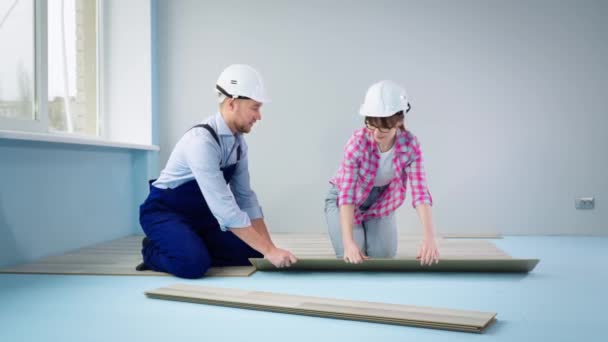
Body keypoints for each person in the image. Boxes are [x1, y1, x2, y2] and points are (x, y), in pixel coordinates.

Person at [137, 64, 297, 278]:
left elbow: (245, 198)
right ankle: (152, 250)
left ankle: (189, 243)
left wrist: (269, 248)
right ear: (232, 103)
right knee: (193, 265)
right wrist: (270, 251)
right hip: (165, 213)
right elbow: (224, 209)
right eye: (255, 108)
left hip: (201, 217)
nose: (259, 116)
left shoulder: (239, 145)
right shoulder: (201, 142)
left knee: (252, 253)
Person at [324, 80, 440, 265]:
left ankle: (372, 229)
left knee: (382, 258)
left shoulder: (410, 145)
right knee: (355, 256)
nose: (377, 133)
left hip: (381, 204)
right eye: (372, 124)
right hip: (344, 202)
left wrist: (429, 238)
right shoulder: (357, 144)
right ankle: (353, 234)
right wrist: (348, 243)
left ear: (399, 121)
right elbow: (346, 195)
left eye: (384, 126)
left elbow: (420, 193)